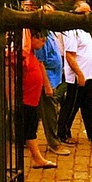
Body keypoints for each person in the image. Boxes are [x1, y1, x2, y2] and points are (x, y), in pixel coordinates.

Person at [57, 1, 92, 142]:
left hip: (88, 74)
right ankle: (63, 133)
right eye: (83, 13)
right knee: (71, 104)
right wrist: (79, 74)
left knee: (89, 104)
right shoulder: (71, 31)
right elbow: (69, 55)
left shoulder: (85, 30)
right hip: (78, 76)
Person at [32, 25, 70, 156]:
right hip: (47, 80)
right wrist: (47, 85)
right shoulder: (40, 37)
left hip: (55, 78)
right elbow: (40, 63)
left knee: (38, 112)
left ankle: (27, 138)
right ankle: (54, 143)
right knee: (50, 113)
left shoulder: (50, 34)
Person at [22, 29, 56, 168]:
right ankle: (38, 158)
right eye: (39, 38)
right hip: (26, 98)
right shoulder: (24, 54)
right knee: (29, 128)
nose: (43, 41)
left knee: (32, 125)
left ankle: (38, 158)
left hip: (32, 98)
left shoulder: (31, 53)